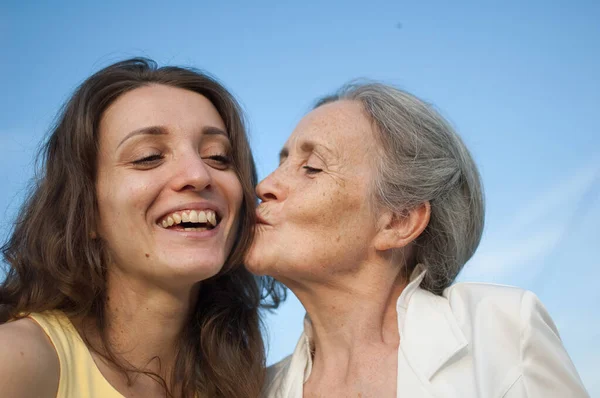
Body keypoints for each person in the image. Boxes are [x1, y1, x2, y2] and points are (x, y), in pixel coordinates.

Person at [246, 82, 589, 397]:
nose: (265, 186)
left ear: (398, 221)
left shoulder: (502, 333)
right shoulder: (260, 388)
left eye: (312, 167)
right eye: (283, 162)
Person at [0, 58, 282, 398]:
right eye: (149, 157)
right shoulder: (18, 361)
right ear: (86, 211)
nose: (198, 174)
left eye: (218, 157)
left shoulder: (253, 382)